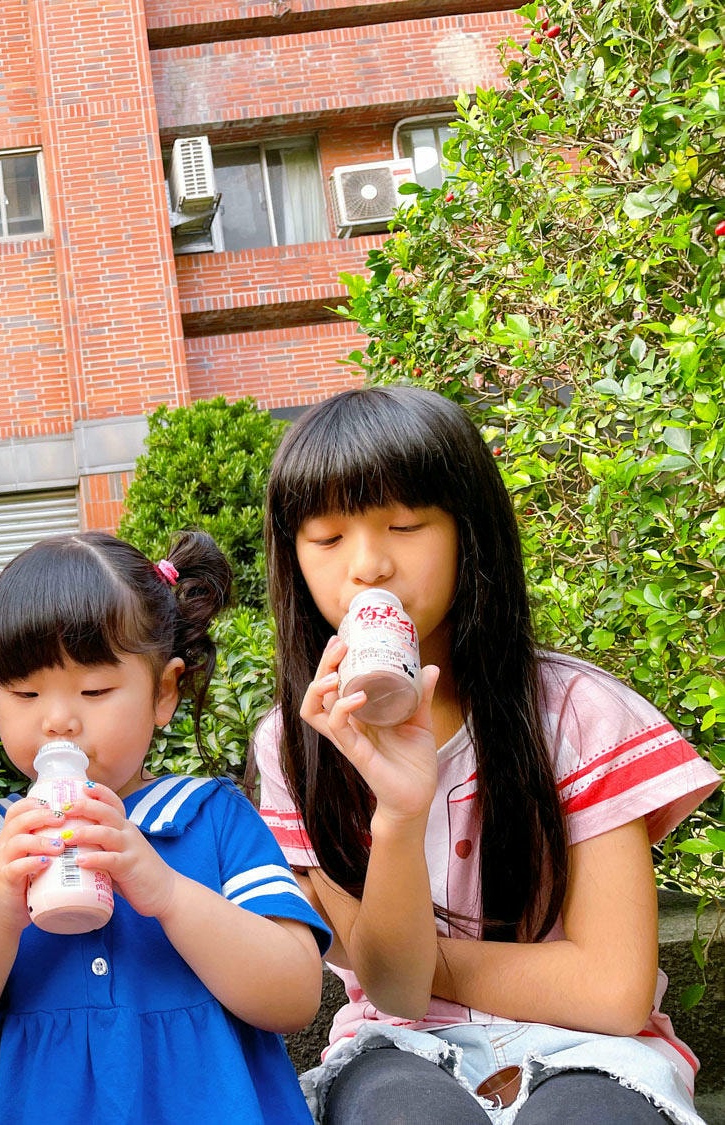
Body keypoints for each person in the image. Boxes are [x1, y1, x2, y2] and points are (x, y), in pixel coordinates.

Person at [251, 385, 721, 1125]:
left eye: (404, 524)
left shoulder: (574, 714)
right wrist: (401, 810)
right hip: (398, 1048)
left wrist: (424, 964)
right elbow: (396, 996)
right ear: (294, 557)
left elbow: (610, 991)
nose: (367, 565)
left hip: (589, 1050)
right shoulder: (298, 741)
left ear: (469, 532)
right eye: (328, 537)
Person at [0, 530, 331, 1123]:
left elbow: (294, 996)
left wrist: (168, 893)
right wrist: (0, 910)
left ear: (163, 692)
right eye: (24, 691)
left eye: (94, 689)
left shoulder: (208, 816)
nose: (58, 720)